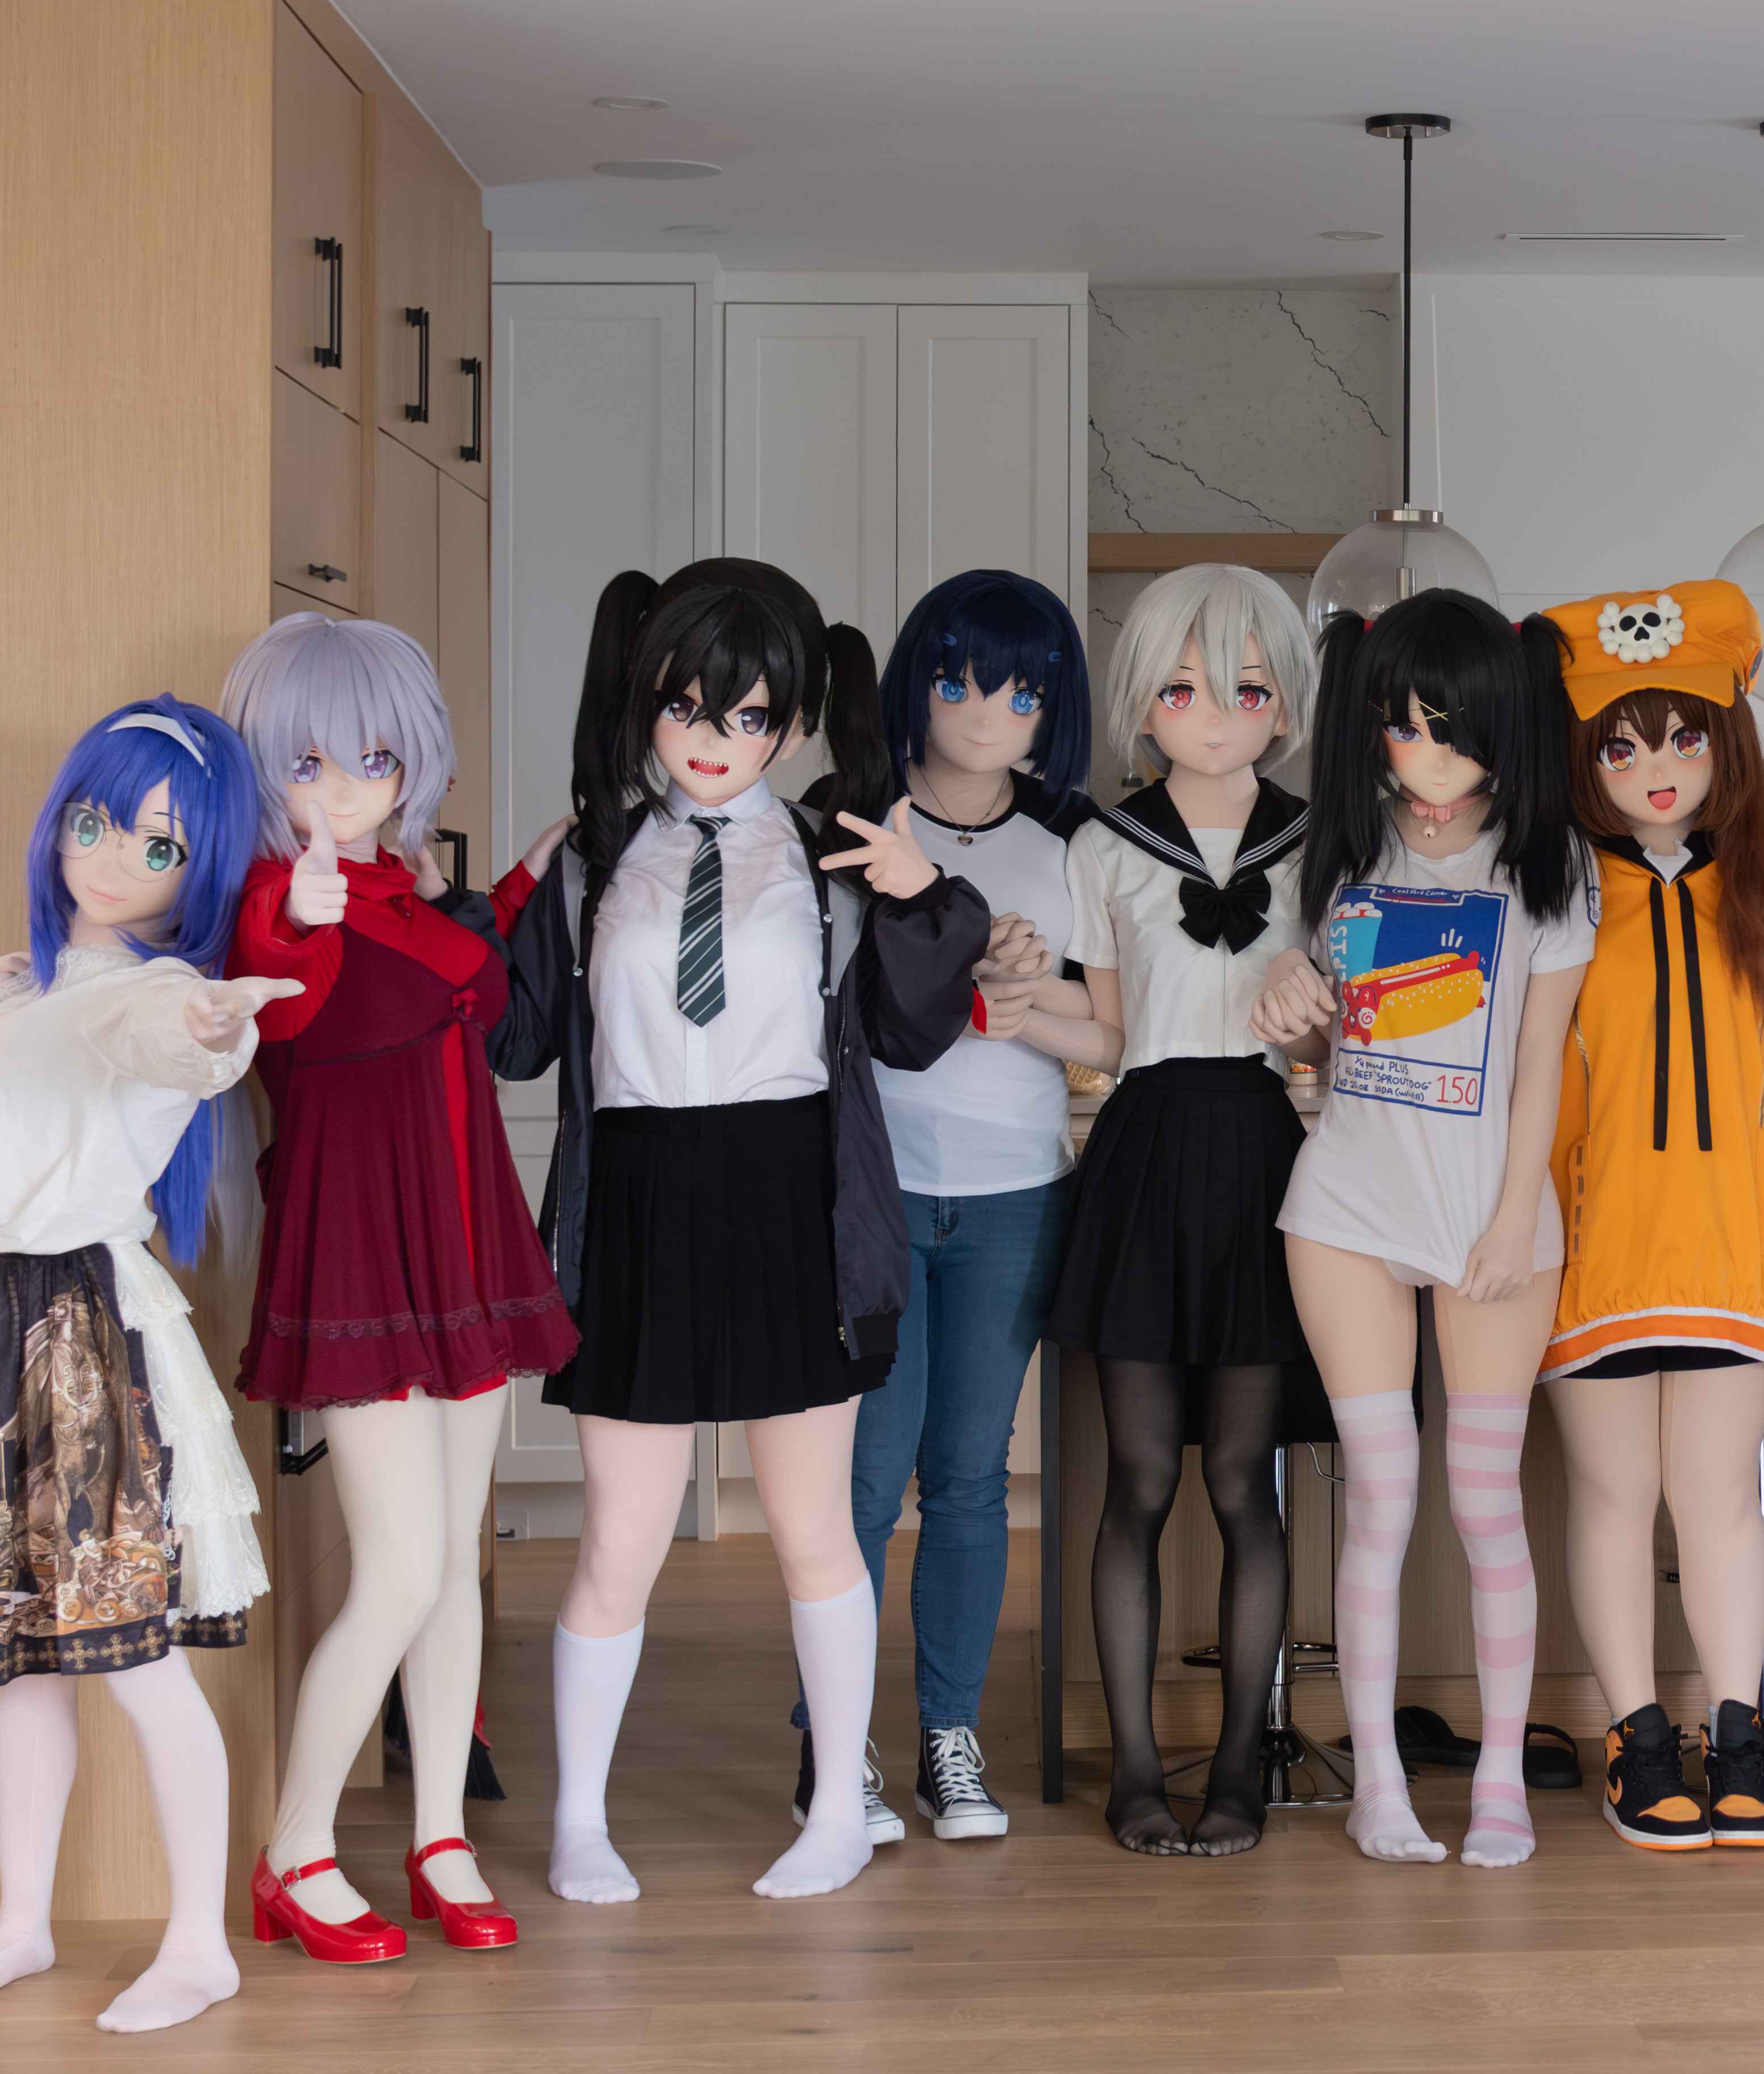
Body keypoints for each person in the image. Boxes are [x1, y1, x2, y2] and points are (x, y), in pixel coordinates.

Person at [489, 562, 984, 1904]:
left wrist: (922, 894)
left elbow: (911, 1032)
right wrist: (480, 907)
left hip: (790, 1192)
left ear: (796, 723)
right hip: (637, 1194)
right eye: (687, 707)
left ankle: (836, 1813)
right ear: (644, 701)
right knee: (620, 1538)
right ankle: (579, 1822)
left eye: (751, 716)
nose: (713, 740)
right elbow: (514, 1039)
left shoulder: (833, 855)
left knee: (814, 1526)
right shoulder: (590, 857)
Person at [0, 698, 286, 2033]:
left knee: (135, 1652)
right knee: (23, 1650)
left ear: (199, 873)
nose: (115, 856)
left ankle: (198, 1943)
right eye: (97, 821)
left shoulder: (153, 996)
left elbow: (176, 1042)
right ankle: (22, 1922)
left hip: (81, 1325)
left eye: (159, 845)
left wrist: (217, 1026)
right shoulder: (22, 986)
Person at [220, 614, 569, 1960]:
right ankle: (294, 1850)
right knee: (403, 1568)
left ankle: (439, 1837)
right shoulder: (273, 903)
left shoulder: (403, 889)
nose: (345, 789)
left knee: (452, 1565)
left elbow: (463, 990)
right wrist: (295, 920)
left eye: (374, 759)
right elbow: (279, 1010)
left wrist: (514, 886)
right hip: (362, 1258)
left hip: (465, 1243)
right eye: (309, 763)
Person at [1257, 588, 1594, 1869]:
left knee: (1483, 1499)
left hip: (1495, 1220)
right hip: (1348, 1205)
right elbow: (1321, 1048)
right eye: (1406, 728)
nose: (1431, 757)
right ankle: (1379, 1784)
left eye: (1457, 730)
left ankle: (1501, 1778)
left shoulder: (1547, 867)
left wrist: (1510, 1221)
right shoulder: (1335, 853)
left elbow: (1541, 1067)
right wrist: (1290, 1005)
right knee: (1381, 1497)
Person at [794, 569, 1106, 1846]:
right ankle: (834, 1749)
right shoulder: (844, 818)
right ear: (916, 684)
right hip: (869, 1192)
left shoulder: (1076, 841)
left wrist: (1025, 987)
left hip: (1014, 1194)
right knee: (863, 1483)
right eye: (961, 681)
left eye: (1021, 693)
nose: (987, 714)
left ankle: (949, 1742)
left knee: (973, 1480)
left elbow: (1114, 1028)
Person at [1536, 580, 1764, 1850]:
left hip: (1740, 1243)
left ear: (1727, 740)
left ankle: (1738, 1731)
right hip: (1587, 1241)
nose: (1656, 768)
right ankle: (1635, 1735)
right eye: (1619, 745)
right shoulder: (1551, 893)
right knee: (1612, 1494)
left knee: (1718, 1496)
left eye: (1682, 736)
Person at [1051, 564, 1325, 1856]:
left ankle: (1237, 1773)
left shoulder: (1326, 843)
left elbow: (1344, 1041)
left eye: (1247, 690)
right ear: (1142, 702)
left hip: (1271, 1153)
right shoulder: (1101, 846)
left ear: (1286, 704)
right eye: (1184, 689)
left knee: (1241, 1481)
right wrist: (1003, 1001)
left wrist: (1314, 1023)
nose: (1216, 716)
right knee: (1142, 1478)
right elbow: (1106, 1036)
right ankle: (1132, 1772)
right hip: (1147, 1150)